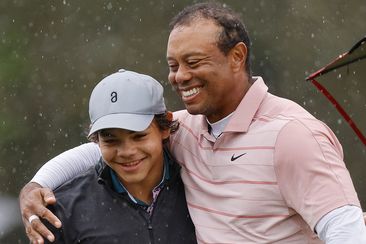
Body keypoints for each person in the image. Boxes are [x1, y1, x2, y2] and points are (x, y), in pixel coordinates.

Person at [20, 2, 366, 244]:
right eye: (173, 65)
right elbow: (102, 150)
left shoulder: (292, 135)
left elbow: (346, 230)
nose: (180, 77)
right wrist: (36, 186)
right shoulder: (186, 129)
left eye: (193, 62)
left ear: (237, 57)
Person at [32, 69, 197, 243]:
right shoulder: (61, 212)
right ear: (96, 140)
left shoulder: (199, 182)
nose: (126, 152)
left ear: (164, 128)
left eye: (138, 136)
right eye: (111, 140)